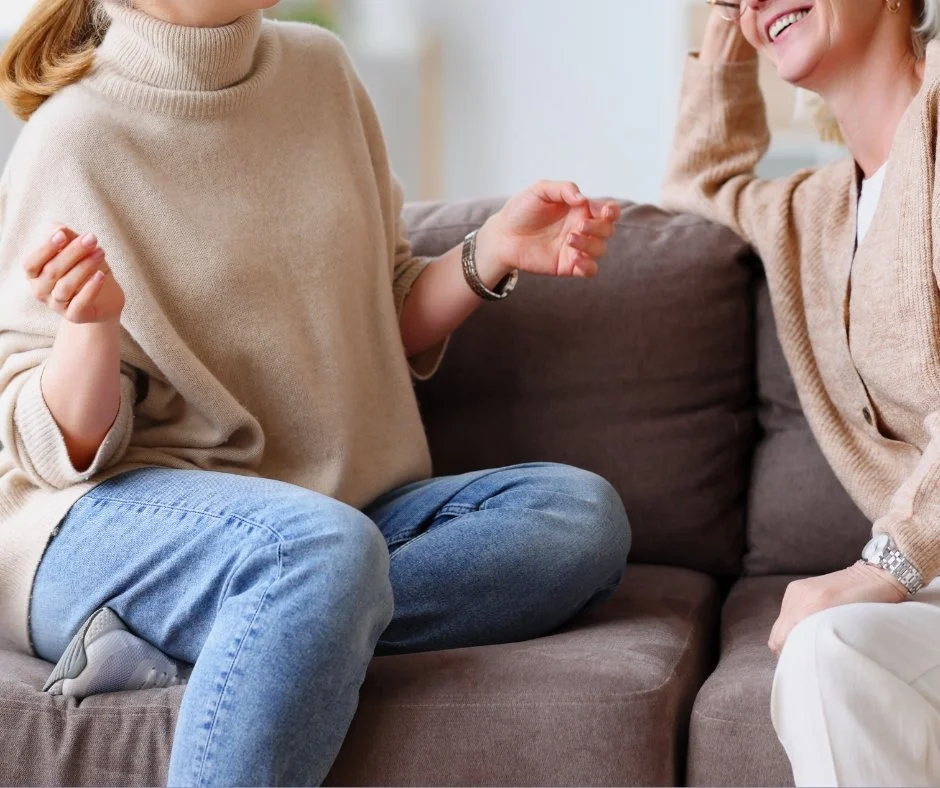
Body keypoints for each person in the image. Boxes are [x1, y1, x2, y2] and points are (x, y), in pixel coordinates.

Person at [0, 0, 631, 785]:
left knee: (577, 519)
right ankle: (294, 605)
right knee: (323, 554)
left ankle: (273, 621)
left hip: (336, 521)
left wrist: (492, 250)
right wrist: (91, 328)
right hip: (109, 525)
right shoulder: (76, 136)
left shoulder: (322, 71)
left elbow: (380, 310)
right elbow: (59, 446)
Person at [663, 0, 940, 785]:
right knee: (829, 655)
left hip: (916, 567)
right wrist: (726, 32)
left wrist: (883, 566)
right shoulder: (813, 213)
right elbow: (696, 187)